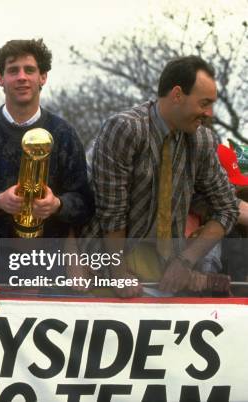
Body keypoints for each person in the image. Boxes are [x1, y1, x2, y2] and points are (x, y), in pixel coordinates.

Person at [0, 39, 94, 332]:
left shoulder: (65, 134)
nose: (22, 77)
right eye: (13, 70)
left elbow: (86, 202)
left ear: (43, 77)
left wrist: (58, 205)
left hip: (51, 273)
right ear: (0, 79)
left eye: (30, 70)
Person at [84, 55, 239, 297]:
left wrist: (185, 261)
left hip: (164, 272)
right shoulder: (126, 128)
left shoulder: (202, 140)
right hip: (105, 265)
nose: (209, 113)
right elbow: (111, 214)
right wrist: (119, 274)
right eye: (204, 103)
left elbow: (228, 209)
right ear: (177, 95)